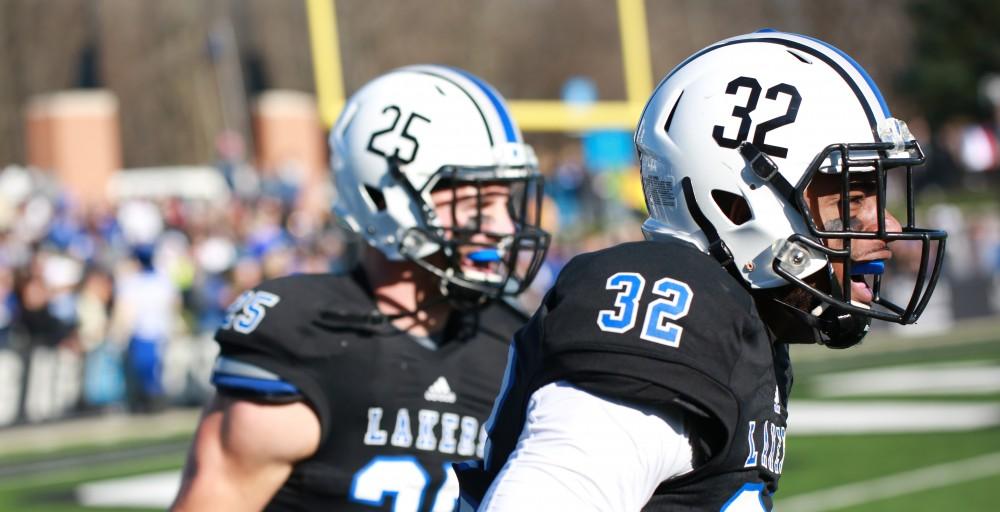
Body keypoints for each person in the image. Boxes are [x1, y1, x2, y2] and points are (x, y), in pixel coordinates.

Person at [455, 30, 948, 511]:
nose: (886, 226)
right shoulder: (678, 308)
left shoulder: (752, 325)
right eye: (852, 197)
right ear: (737, 202)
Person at [171, 65, 549, 511]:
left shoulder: (515, 344)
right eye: (475, 203)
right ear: (384, 199)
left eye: (506, 201)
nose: (504, 227)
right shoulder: (306, 334)